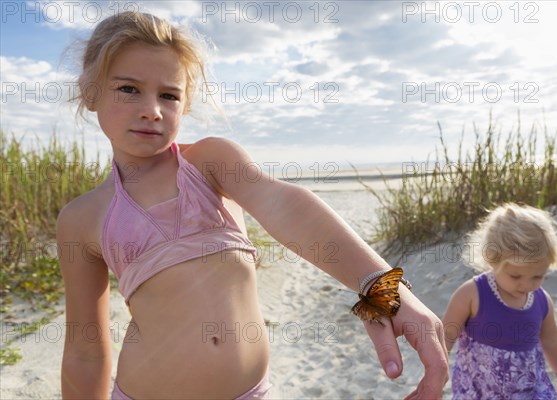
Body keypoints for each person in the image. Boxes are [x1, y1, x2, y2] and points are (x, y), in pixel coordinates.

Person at [58, 11, 448, 400]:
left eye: (169, 95)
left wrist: (383, 289)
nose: (152, 110)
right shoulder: (83, 218)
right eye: (128, 89)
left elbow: (287, 206)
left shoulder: (208, 164)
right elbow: (84, 351)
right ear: (90, 92)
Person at [442, 203, 557, 400]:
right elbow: (446, 336)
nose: (526, 285)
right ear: (492, 259)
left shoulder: (541, 301)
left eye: (537, 277)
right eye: (515, 276)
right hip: (480, 391)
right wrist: (436, 375)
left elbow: (552, 340)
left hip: (528, 391)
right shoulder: (472, 294)